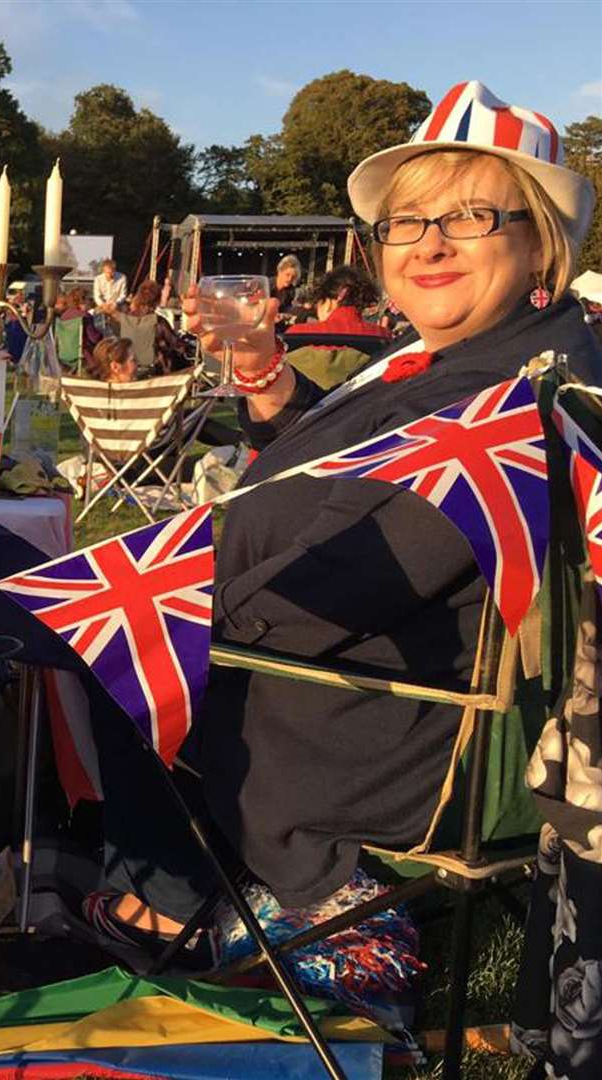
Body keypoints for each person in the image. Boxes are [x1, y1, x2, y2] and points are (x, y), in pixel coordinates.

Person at [91, 81, 600, 955]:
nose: (428, 244)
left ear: (540, 246)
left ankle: (178, 900)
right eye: (406, 222)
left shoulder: (499, 401)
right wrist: (267, 378)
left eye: (472, 216)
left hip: (378, 726)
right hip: (360, 683)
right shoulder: (469, 357)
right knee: (85, 618)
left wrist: (161, 606)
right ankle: (149, 871)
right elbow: (353, 470)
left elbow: (349, 576)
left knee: (88, 639)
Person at [121, 279, 188, 374]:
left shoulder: (127, 318)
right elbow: (175, 343)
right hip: (155, 368)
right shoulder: (159, 321)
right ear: (156, 301)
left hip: (131, 364)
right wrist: (185, 345)